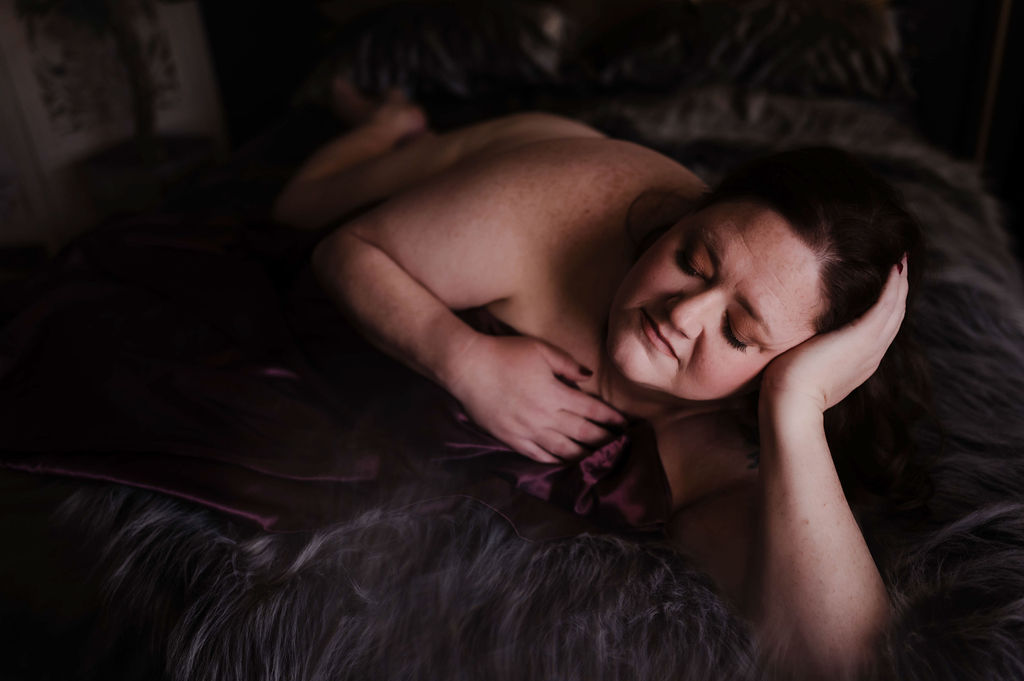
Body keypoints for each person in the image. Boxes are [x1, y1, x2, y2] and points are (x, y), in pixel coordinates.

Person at [272, 81, 933, 678]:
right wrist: (464, 357)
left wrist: (795, 406)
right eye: (692, 257)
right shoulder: (556, 208)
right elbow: (346, 248)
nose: (682, 313)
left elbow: (841, 666)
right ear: (683, 217)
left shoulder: (731, 449)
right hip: (523, 154)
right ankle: (395, 119)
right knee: (298, 207)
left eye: (737, 332)